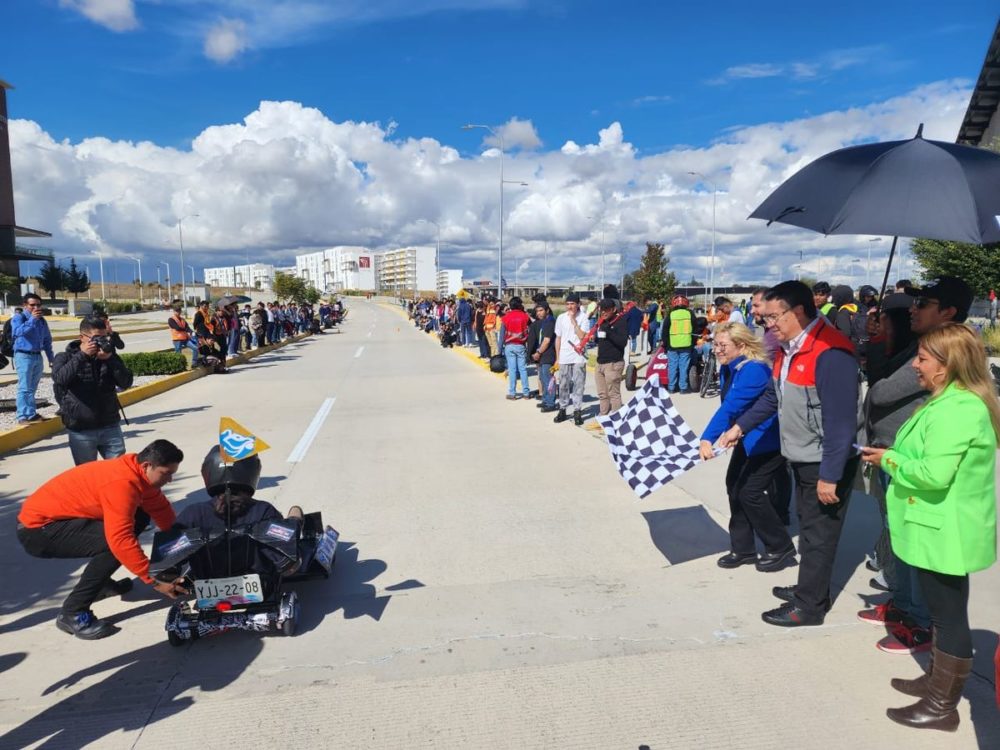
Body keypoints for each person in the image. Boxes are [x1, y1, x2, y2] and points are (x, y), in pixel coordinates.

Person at [861, 323, 998, 732]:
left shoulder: (960, 409)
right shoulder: (945, 401)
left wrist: (889, 461)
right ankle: (937, 680)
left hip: (947, 530)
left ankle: (943, 705)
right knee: (942, 615)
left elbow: (934, 474)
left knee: (949, 616)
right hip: (935, 526)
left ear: (947, 365)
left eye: (923, 359)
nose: (916, 366)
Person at [720, 280, 860, 627]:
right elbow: (772, 398)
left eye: (771, 317)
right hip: (800, 453)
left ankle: (809, 607)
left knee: (817, 534)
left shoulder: (831, 353)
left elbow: (841, 423)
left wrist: (830, 475)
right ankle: (809, 588)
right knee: (811, 527)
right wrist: (739, 428)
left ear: (797, 312)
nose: (767, 325)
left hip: (824, 460)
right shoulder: (788, 348)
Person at [857, 276, 973, 655]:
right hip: (894, 455)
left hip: (908, 461)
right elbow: (879, 379)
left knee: (912, 544)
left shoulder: (944, 352)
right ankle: (906, 608)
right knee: (897, 537)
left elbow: (883, 390)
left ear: (948, 312)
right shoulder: (916, 346)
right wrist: (879, 341)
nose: (913, 308)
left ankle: (918, 619)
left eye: (924, 303)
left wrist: (880, 374)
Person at [15, 439, 189, 639]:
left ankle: (100, 583)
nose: (170, 480)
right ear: (146, 466)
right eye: (166, 474)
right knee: (113, 545)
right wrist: (154, 581)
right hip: (38, 531)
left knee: (139, 517)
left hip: (60, 519)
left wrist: (183, 542)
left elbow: (161, 510)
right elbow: (120, 540)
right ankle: (73, 612)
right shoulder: (122, 484)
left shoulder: (138, 474)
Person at [701, 323, 795, 571]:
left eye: (723, 345)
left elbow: (730, 406)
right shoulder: (730, 367)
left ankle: (781, 547)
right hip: (746, 439)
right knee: (734, 487)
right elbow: (733, 408)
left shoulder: (753, 370)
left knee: (750, 493)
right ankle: (743, 549)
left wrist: (707, 438)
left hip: (768, 441)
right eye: (715, 344)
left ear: (741, 346)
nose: (717, 350)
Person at [52, 316, 133, 465]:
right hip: (81, 428)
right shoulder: (65, 357)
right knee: (87, 476)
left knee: (118, 471)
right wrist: (82, 356)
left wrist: (110, 359)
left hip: (110, 425)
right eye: (96, 338)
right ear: (82, 337)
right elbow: (60, 379)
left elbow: (126, 382)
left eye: (104, 337)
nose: (101, 342)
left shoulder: (109, 357)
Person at [10, 292, 55, 424]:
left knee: (32, 387)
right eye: (32, 305)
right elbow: (17, 333)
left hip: (37, 356)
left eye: (38, 305)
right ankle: (22, 416)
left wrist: (51, 358)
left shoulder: (42, 320)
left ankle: (31, 414)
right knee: (24, 387)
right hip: (23, 355)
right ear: (25, 305)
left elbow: (47, 340)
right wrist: (32, 320)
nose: (36, 307)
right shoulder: (19, 318)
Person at [553, 292, 590, 426]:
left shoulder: (584, 318)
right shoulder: (561, 318)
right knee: (563, 384)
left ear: (578, 304)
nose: (570, 307)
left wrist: (574, 322)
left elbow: (582, 337)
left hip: (578, 356)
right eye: (568, 304)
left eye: (572, 304)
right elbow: (558, 338)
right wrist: (557, 357)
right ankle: (562, 408)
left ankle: (577, 410)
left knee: (579, 384)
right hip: (564, 355)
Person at [593, 297, 628, 416]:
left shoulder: (621, 321)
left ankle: (616, 419)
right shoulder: (602, 322)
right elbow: (600, 341)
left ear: (613, 309)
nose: (603, 312)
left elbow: (622, 342)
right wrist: (596, 337)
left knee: (613, 394)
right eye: (601, 310)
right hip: (600, 363)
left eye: (606, 309)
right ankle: (603, 418)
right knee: (602, 394)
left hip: (613, 363)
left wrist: (609, 333)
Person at [528, 303, 558, 413]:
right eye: (537, 311)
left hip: (548, 355)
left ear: (547, 310)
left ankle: (551, 403)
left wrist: (538, 352)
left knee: (548, 379)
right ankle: (546, 399)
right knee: (543, 379)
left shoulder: (550, 322)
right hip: (543, 355)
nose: (538, 313)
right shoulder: (544, 322)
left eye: (541, 310)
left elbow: (547, 340)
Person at [664, 294, 696, 394]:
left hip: (672, 345)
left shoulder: (671, 314)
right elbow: (695, 328)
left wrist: (666, 344)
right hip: (686, 344)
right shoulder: (690, 313)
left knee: (672, 366)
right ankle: (683, 388)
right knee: (684, 367)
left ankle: (671, 388)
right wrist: (693, 342)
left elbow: (665, 331)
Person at [502, 297, 532, 400]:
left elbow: (502, 333)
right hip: (521, 345)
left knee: (512, 370)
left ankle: (512, 393)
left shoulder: (506, 317)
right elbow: (531, 330)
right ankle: (526, 393)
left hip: (509, 345)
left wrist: (499, 347)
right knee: (523, 369)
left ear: (510, 306)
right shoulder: (525, 316)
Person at [749, 288, 780, 361]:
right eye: (752, 306)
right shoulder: (763, 328)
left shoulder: (783, 333)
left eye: (756, 306)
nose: (751, 311)